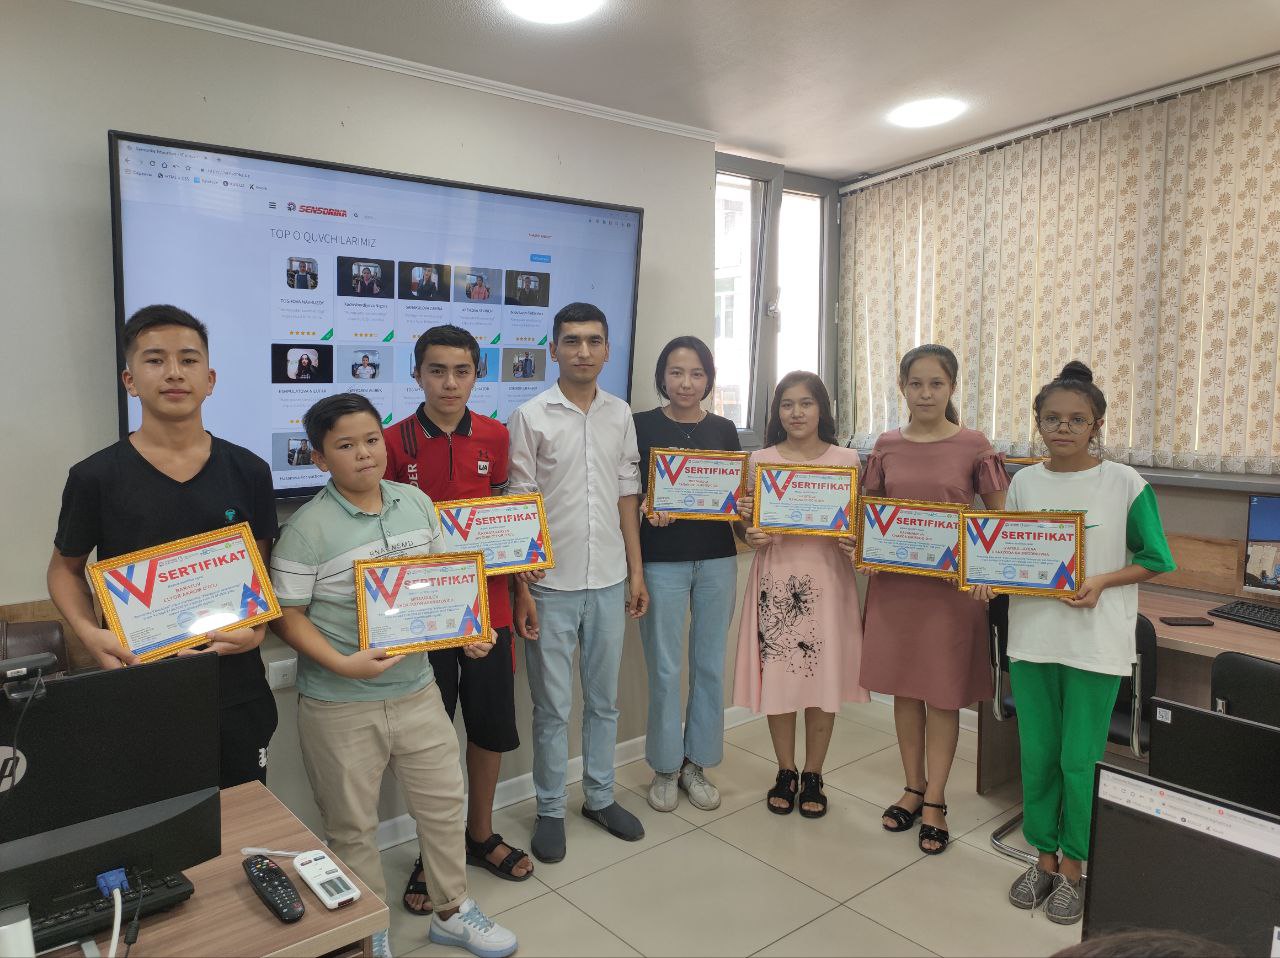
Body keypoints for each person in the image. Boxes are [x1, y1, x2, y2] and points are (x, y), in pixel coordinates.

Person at [269, 392, 517, 958]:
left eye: (371, 440)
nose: (364, 454)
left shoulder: (417, 503)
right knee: (352, 826)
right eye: (345, 445)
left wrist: (468, 631)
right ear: (318, 457)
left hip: (417, 690)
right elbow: (287, 614)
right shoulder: (306, 529)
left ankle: (453, 911)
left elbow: (447, 581)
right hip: (338, 703)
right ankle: (368, 929)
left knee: (443, 806)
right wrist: (341, 663)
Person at [973, 361, 1175, 924]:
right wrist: (988, 576)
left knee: (1078, 761)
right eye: (1052, 418)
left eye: (1076, 419)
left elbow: (1157, 559)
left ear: (1097, 425)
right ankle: (1042, 858)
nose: (1063, 428)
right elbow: (1011, 553)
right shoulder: (1024, 483)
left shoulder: (1125, 483)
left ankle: (1073, 870)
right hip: (1033, 640)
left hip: (1095, 644)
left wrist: (1102, 581)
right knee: (1038, 757)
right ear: (1038, 422)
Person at [47, 304, 279, 788]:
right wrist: (89, 634)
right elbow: (65, 570)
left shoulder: (250, 470)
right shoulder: (94, 477)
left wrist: (256, 630)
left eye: (188, 360)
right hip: (141, 686)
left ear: (210, 379)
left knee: (246, 815)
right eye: (155, 360)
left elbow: (258, 570)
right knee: (157, 821)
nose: (174, 372)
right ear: (130, 380)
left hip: (234, 687)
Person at [383, 325, 534, 915]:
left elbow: (505, 525)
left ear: (477, 375)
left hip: (490, 610)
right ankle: (434, 850)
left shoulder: (495, 435)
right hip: (423, 615)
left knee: (490, 726)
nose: (450, 382)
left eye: (462, 371)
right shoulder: (392, 441)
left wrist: (520, 591)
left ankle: (478, 834)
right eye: (437, 370)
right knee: (429, 736)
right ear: (417, 374)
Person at [507, 302, 649, 863]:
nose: (583, 351)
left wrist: (636, 572)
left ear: (607, 349)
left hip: (610, 580)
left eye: (593, 340)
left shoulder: (620, 413)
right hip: (550, 587)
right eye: (571, 341)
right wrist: (522, 587)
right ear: (553, 349)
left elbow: (627, 495)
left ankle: (599, 797)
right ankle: (549, 808)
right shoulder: (531, 416)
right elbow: (520, 503)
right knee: (552, 707)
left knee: (604, 702)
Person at [860, 344, 1008, 854]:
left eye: (936, 384)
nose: (925, 393)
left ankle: (936, 800)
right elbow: (870, 513)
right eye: (916, 384)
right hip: (896, 588)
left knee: (942, 695)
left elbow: (997, 520)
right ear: (902, 387)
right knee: (905, 691)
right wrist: (864, 548)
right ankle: (912, 786)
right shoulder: (885, 444)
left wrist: (988, 572)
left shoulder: (974, 445)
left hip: (951, 595)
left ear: (952, 387)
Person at [733, 371, 867, 817]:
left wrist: (856, 540)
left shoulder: (848, 460)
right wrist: (749, 532)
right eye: (787, 404)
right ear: (777, 412)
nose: (796, 412)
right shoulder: (760, 460)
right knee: (780, 678)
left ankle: (814, 773)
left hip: (828, 581)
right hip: (777, 580)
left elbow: (861, 524)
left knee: (822, 679)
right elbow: (746, 524)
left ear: (821, 409)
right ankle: (785, 770)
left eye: (806, 403)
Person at [633, 336, 740, 813]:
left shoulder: (724, 429)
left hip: (717, 559)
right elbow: (627, 494)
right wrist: (646, 506)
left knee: (710, 665)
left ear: (708, 379)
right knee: (665, 668)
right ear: (662, 376)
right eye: (676, 372)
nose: (686, 382)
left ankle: (697, 764)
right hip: (661, 561)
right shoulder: (640, 425)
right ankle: (663, 766)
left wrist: (749, 516)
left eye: (696, 373)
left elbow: (734, 498)